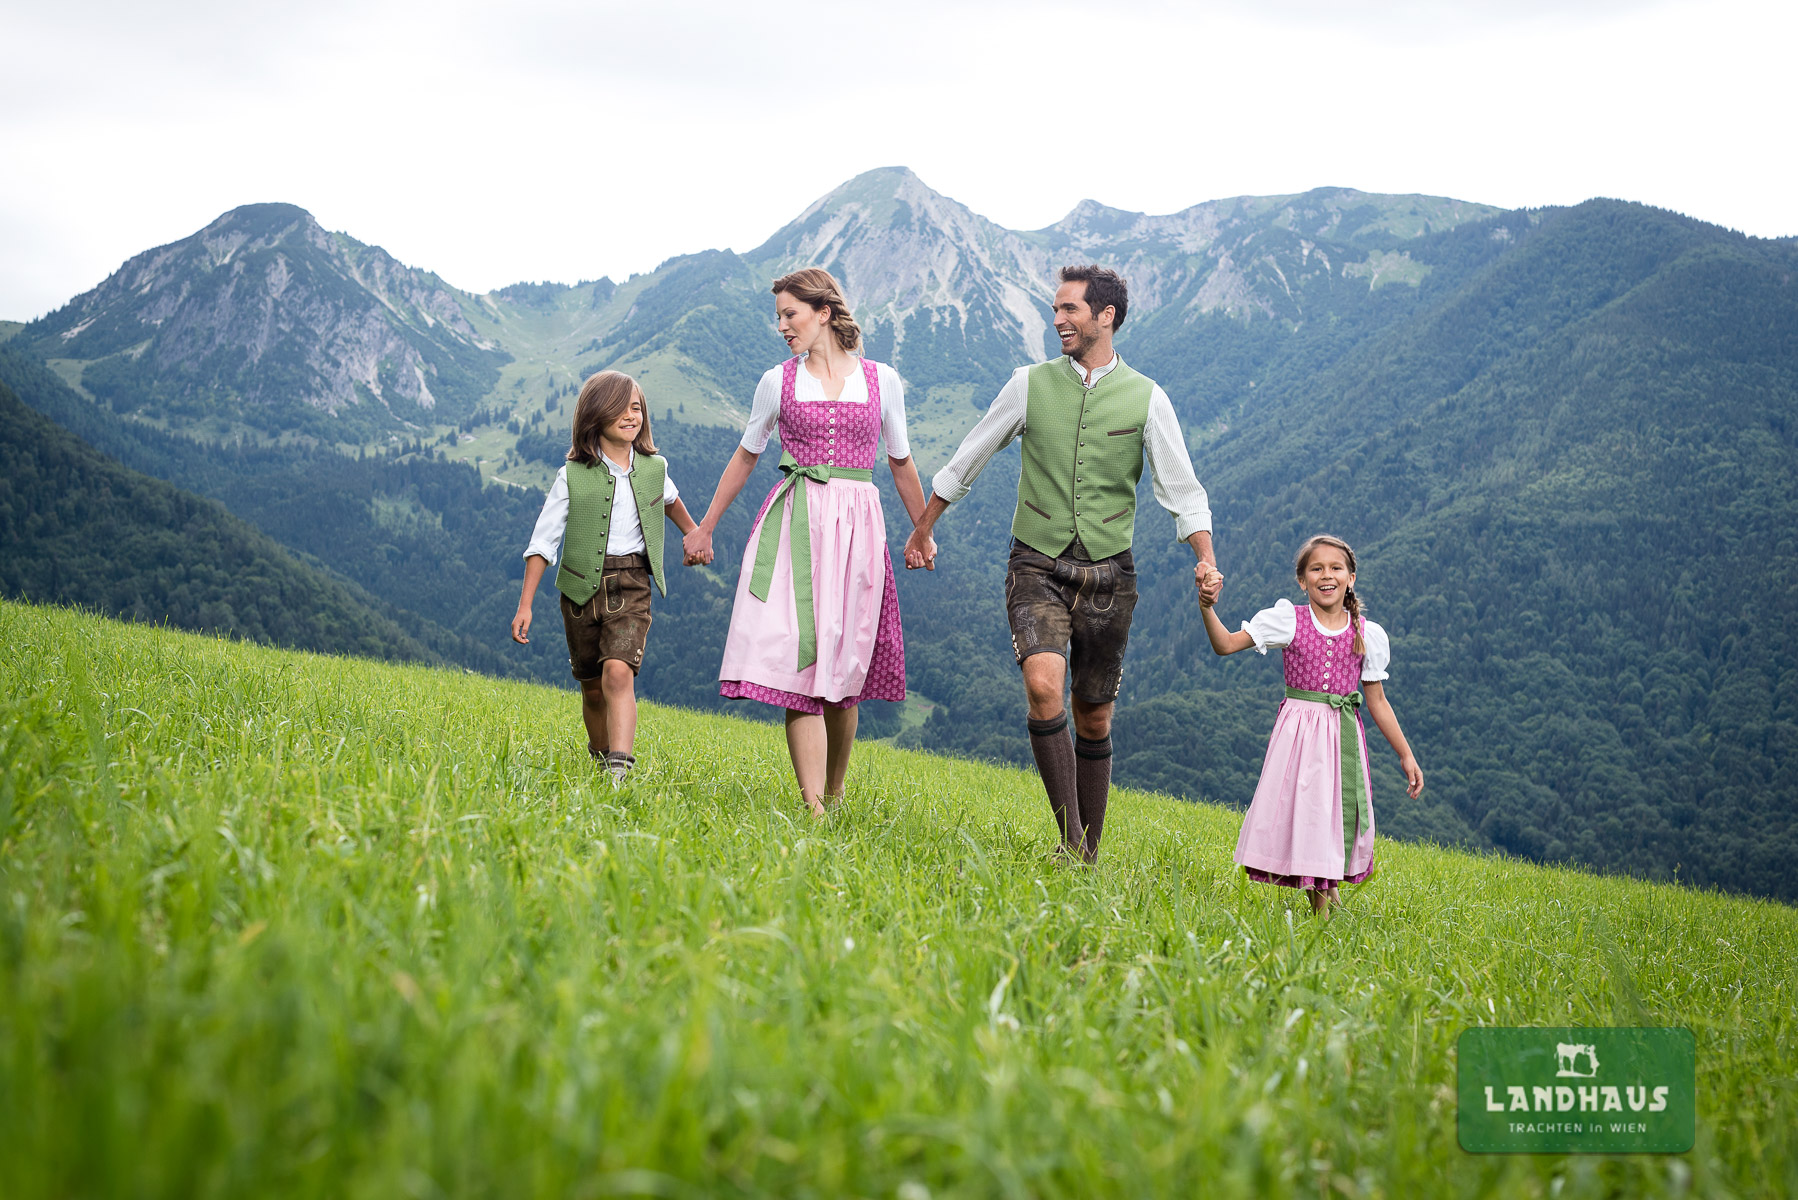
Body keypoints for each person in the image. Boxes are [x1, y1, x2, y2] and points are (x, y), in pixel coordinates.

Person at [902, 264, 1218, 862]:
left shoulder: (1148, 398)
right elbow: (971, 453)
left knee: (1093, 716)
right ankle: (1070, 842)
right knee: (1044, 688)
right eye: (1055, 309)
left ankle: (1088, 854)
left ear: (1106, 317)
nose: (1057, 319)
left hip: (1109, 573)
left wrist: (1205, 558)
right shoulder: (1028, 383)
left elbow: (1183, 487)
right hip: (1036, 561)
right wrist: (925, 527)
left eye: (1070, 309)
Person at [683, 268, 931, 817]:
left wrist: (922, 529)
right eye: (778, 317)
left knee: (843, 669)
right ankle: (815, 809)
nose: (782, 326)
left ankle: (836, 792)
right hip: (796, 523)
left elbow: (901, 461)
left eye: (789, 314)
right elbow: (747, 454)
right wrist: (704, 526)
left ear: (823, 312)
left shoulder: (882, 379)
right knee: (801, 663)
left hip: (859, 529)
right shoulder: (777, 381)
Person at [1198, 534, 1423, 914]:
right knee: (1309, 818)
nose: (1326, 575)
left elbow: (1378, 702)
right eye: (1316, 568)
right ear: (1302, 580)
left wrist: (1406, 755)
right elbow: (1225, 644)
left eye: (1336, 568)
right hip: (1299, 739)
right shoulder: (1289, 621)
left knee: (1333, 819)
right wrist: (1207, 607)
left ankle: (1329, 908)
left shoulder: (1365, 634)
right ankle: (1325, 913)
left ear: (1351, 577)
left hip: (1343, 739)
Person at [512, 370, 699, 784]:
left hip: (632, 580)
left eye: (636, 407)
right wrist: (525, 604)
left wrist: (694, 534)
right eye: (620, 408)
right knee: (592, 687)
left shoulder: (654, 467)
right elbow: (543, 542)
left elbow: (670, 502)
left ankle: (619, 770)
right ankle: (599, 758)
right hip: (581, 589)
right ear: (596, 415)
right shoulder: (572, 475)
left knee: (618, 671)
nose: (631, 415)